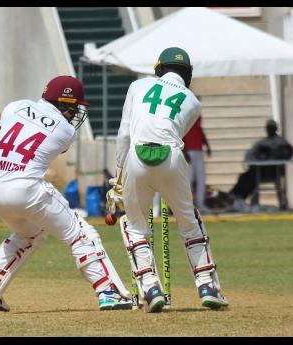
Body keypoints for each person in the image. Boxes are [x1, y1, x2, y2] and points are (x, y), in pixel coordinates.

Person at [0, 76, 132, 312]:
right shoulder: (65, 130)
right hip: (28, 189)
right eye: (74, 108)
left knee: (31, 233)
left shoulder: (14, 107)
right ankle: (107, 291)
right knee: (80, 235)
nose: (75, 113)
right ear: (64, 104)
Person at [110, 47, 229, 312]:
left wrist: (118, 180)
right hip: (172, 157)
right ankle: (207, 285)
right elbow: (173, 132)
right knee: (189, 223)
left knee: (135, 225)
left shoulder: (137, 85)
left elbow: (123, 136)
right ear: (187, 75)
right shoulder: (193, 102)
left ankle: (151, 287)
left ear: (159, 68)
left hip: (136, 157)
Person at [229, 119, 293, 211]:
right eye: (269, 128)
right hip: (260, 170)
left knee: (252, 177)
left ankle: (240, 199)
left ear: (275, 129)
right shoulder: (262, 143)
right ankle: (237, 196)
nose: (270, 130)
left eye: (272, 128)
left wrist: (277, 154)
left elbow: (288, 153)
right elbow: (250, 155)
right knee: (244, 177)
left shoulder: (281, 142)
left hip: (274, 171)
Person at [183, 114, 212, 213]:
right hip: (189, 150)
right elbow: (181, 133)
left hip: (198, 149)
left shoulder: (197, 115)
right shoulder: (185, 115)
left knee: (201, 177)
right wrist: (184, 150)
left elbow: (200, 129)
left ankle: (200, 203)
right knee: (189, 178)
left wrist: (207, 145)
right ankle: (187, 205)